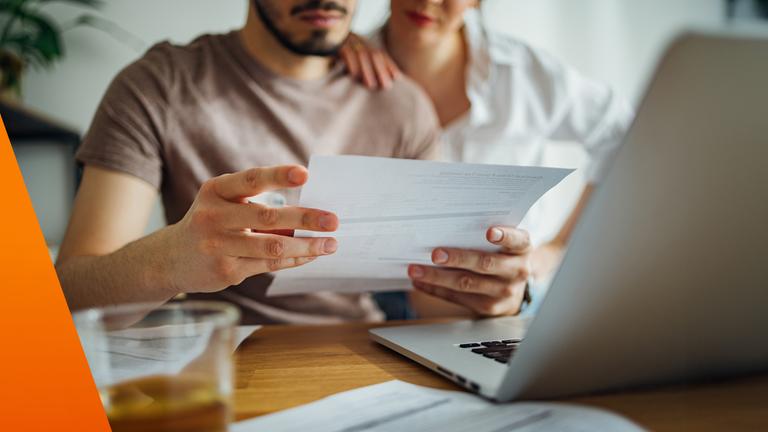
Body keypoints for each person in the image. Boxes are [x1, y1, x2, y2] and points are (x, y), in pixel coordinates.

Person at [341, 0, 634, 317]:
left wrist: (558, 250)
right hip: (372, 307)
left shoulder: (524, 74)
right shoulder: (337, 65)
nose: (428, 1)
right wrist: (329, 46)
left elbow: (622, 133)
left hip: (509, 300)